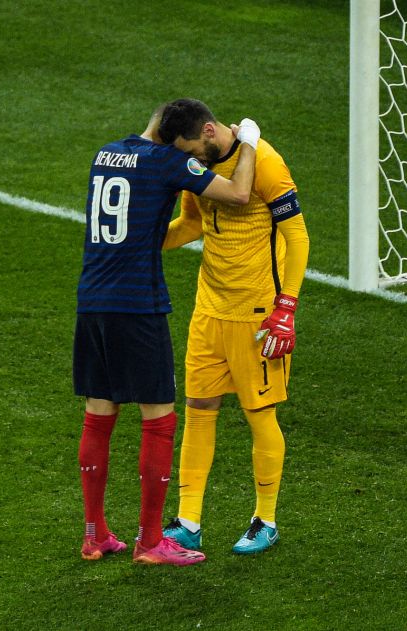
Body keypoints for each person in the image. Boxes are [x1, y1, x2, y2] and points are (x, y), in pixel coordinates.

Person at [74, 103, 261, 565]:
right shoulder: (169, 162)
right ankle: (152, 541)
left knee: (99, 409)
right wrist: (251, 141)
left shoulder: (105, 153)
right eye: (201, 146)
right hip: (138, 305)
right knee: (159, 418)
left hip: (92, 298)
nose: (203, 153)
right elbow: (239, 194)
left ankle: (95, 534)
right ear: (186, 137)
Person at [158, 98, 310, 555]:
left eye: (189, 148)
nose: (188, 159)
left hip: (257, 314)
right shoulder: (192, 162)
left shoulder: (264, 160)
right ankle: (188, 520)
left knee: (258, 414)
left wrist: (287, 307)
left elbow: (296, 236)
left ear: (208, 131)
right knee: (198, 407)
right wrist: (143, 241)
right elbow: (191, 223)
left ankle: (265, 518)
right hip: (209, 309)